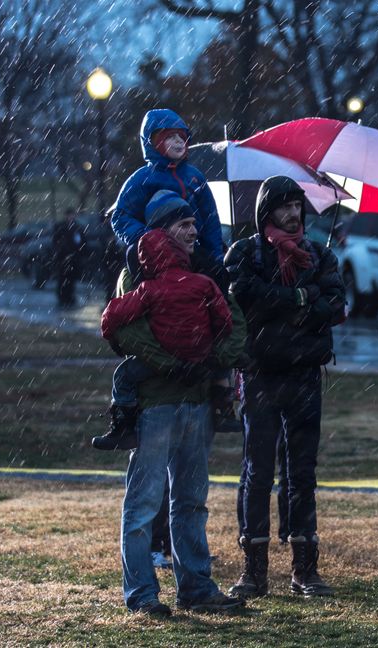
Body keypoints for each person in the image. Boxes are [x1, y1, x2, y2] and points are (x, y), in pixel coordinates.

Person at [110, 204, 246, 617]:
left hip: (196, 402)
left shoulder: (206, 272)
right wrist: (176, 363)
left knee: (191, 500)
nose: (194, 230)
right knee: (143, 503)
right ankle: (142, 596)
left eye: (193, 222)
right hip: (156, 404)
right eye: (185, 224)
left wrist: (210, 360)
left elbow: (234, 323)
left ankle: (197, 588)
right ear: (163, 231)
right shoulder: (135, 275)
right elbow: (125, 331)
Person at [225, 175, 345, 599]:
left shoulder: (320, 255)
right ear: (265, 212)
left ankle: (304, 569)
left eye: (297, 205)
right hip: (260, 376)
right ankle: (253, 570)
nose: (293, 213)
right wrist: (297, 299)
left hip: (305, 376)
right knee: (257, 473)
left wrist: (296, 306)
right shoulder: (246, 252)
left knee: (302, 474)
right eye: (283, 206)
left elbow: (335, 305)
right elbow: (241, 294)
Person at [97, 225, 232, 450]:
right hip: (201, 354)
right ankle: (224, 406)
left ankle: (124, 426)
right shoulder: (203, 282)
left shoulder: (149, 289)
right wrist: (211, 338)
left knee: (123, 375)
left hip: (167, 355)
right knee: (223, 365)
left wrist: (109, 333)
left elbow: (115, 313)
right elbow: (224, 319)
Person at [111, 108, 224, 265]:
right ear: (154, 143)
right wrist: (149, 238)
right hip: (158, 257)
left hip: (193, 251)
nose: (179, 141)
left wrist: (216, 256)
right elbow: (120, 217)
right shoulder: (142, 179)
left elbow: (210, 218)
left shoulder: (195, 177)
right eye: (170, 137)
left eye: (182, 136)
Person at [52, 208, 87, 307]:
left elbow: (82, 241)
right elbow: (56, 241)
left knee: (71, 278)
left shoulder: (77, 227)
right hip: (63, 257)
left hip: (74, 257)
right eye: (70, 215)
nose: (72, 217)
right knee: (62, 278)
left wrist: (81, 252)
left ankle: (70, 296)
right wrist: (60, 250)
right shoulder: (61, 227)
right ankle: (62, 297)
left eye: (73, 215)